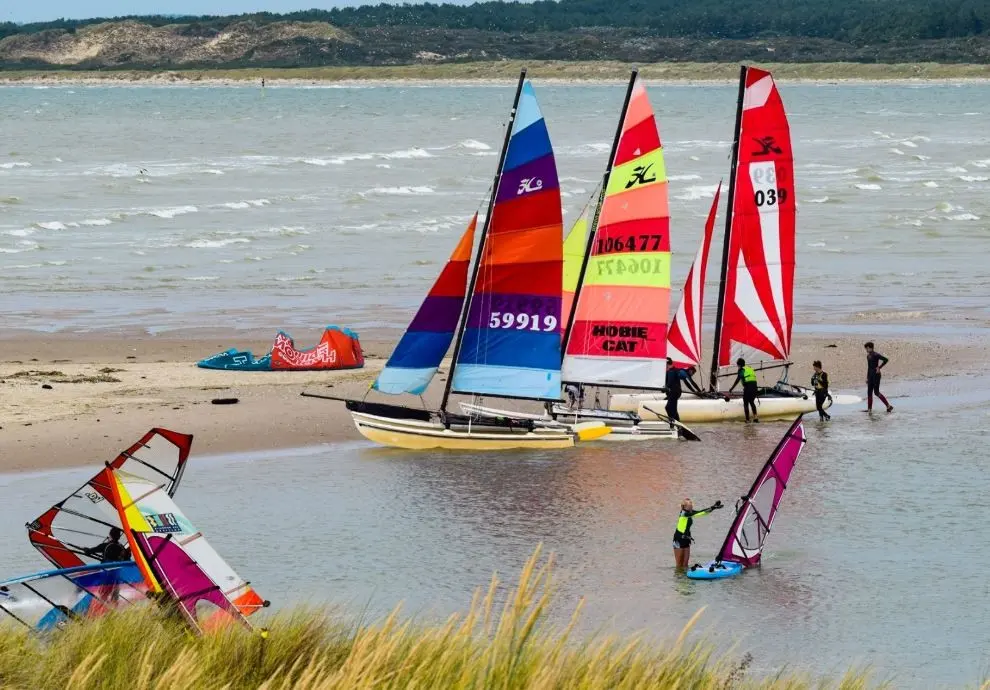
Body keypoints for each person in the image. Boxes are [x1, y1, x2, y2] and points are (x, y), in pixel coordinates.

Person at [672, 497, 723, 569]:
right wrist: (712, 507)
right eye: (690, 505)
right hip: (678, 540)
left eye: (691, 505)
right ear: (684, 506)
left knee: (685, 564)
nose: (692, 506)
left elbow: (701, 513)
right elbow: (698, 513)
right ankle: (678, 578)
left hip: (686, 539)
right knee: (679, 565)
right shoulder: (684, 513)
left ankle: (684, 579)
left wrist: (713, 507)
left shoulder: (690, 512)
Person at [864, 341, 893, 413]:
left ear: (869, 348)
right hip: (870, 376)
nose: (866, 350)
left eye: (866, 348)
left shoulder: (876, 354)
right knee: (869, 392)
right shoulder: (868, 356)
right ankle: (869, 410)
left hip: (876, 375)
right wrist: (867, 377)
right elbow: (869, 367)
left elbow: (886, 360)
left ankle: (889, 406)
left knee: (876, 392)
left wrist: (879, 367)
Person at [728, 357, 760, 422]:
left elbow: (737, 380)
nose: (738, 367)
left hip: (748, 387)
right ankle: (755, 418)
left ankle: (747, 420)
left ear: (739, 365)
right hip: (754, 387)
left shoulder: (741, 370)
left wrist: (731, 388)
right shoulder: (749, 368)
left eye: (738, 365)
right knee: (751, 402)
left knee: (746, 403)